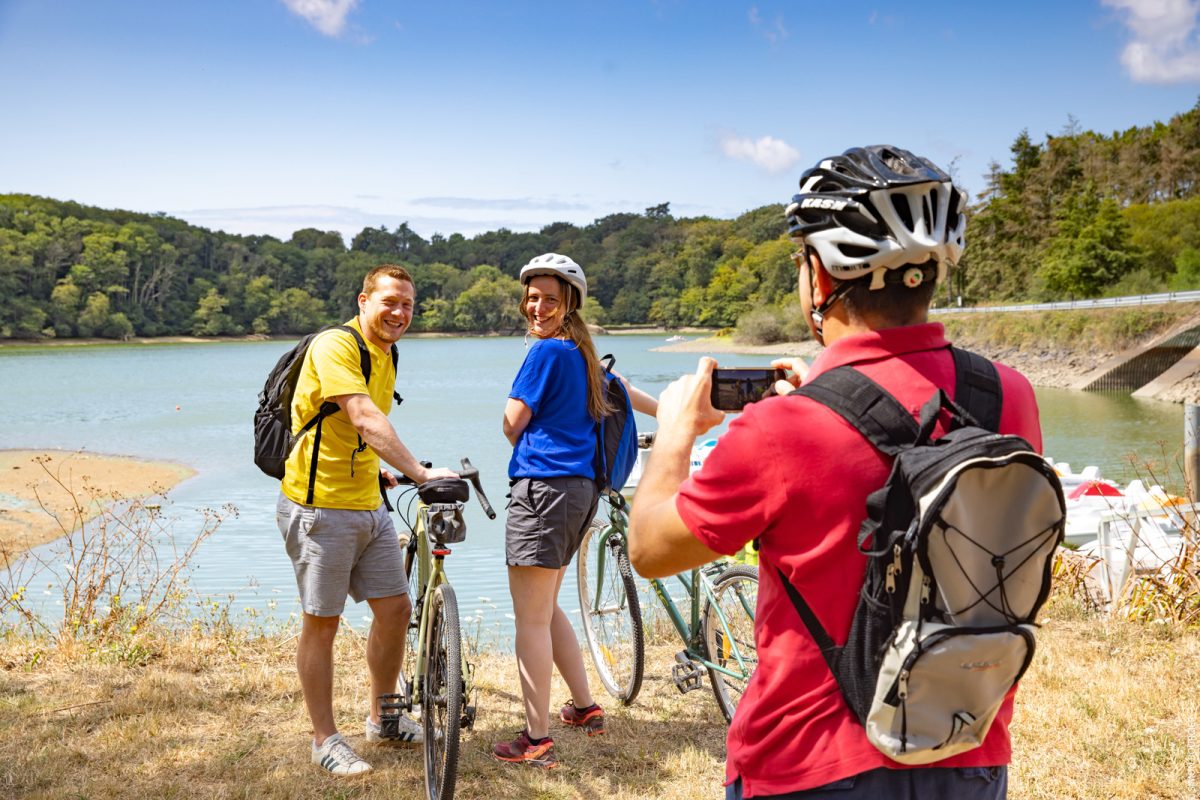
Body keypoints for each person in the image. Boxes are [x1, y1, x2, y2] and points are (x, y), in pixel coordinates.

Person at [628, 146, 1041, 799]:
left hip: (812, 764)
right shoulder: (1006, 395)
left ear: (819, 276)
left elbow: (651, 549)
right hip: (967, 746)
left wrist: (676, 433)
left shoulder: (778, 430)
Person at [276, 264, 456, 776]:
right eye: (390, 302)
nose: (400, 313)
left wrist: (382, 471)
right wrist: (419, 471)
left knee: (396, 610)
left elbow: (351, 431)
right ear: (363, 301)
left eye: (408, 305)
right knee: (323, 622)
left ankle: (385, 718)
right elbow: (362, 415)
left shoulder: (386, 353)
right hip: (319, 507)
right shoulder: (336, 345)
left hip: (367, 503)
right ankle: (324, 738)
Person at [493, 253, 657, 769]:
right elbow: (629, 396)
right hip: (579, 492)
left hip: (543, 489)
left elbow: (511, 423)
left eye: (549, 299)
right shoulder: (586, 354)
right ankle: (584, 708)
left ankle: (535, 737)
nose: (537, 307)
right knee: (547, 607)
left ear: (569, 304)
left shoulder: (545, 354)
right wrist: (684, 412)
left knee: (530, 619)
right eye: (532, 297)